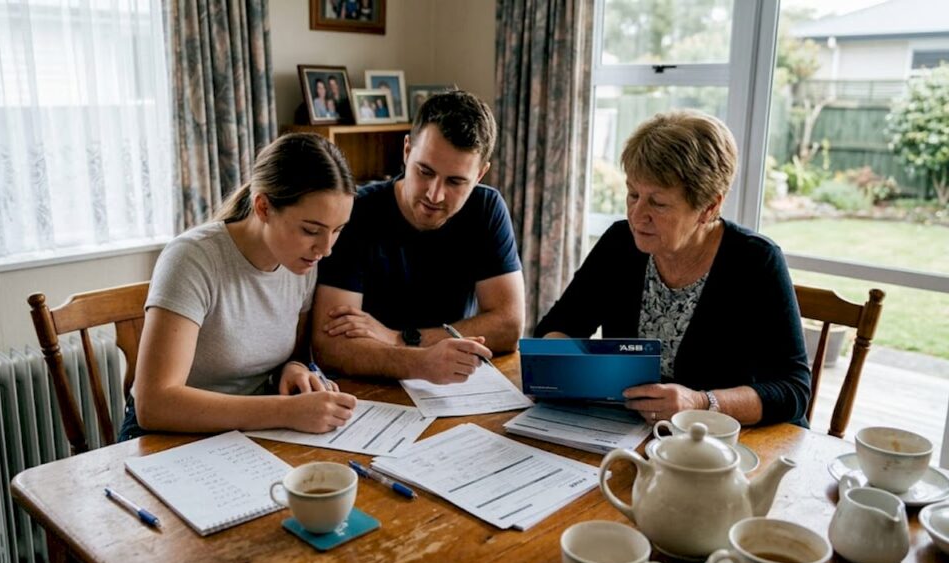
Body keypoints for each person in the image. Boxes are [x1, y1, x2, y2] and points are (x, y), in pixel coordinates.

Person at [534, 110, 811, 427]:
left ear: (709, 207)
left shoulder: (755, 261)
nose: (637, 216)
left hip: (724, 440)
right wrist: (556, 361)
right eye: (633, 194)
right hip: (635, 432)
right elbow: (557, 327)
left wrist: (700, 403)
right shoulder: (619, 244)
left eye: (658, 203)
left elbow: (793, 390)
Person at [120, 133, 358, 440]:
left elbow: (291, 355)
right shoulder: (192, 258)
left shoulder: (302, 262)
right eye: (311, 230)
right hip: (167, 434)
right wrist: (286, 411)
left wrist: (295, 369)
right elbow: (155, 404)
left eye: (337, 230)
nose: (325, 249)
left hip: (250, 430)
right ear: (263, 208)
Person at [313, 90, 525, 384]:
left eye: (455, 181)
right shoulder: (356, 212)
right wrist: (422, 362)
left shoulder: (487, 208)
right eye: (425, 171)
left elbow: (509, 326)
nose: (434, 194)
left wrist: (400, 338)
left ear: (479, 176)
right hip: (367, 390)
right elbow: (330, 346)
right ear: (406, 150)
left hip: (453, 385)